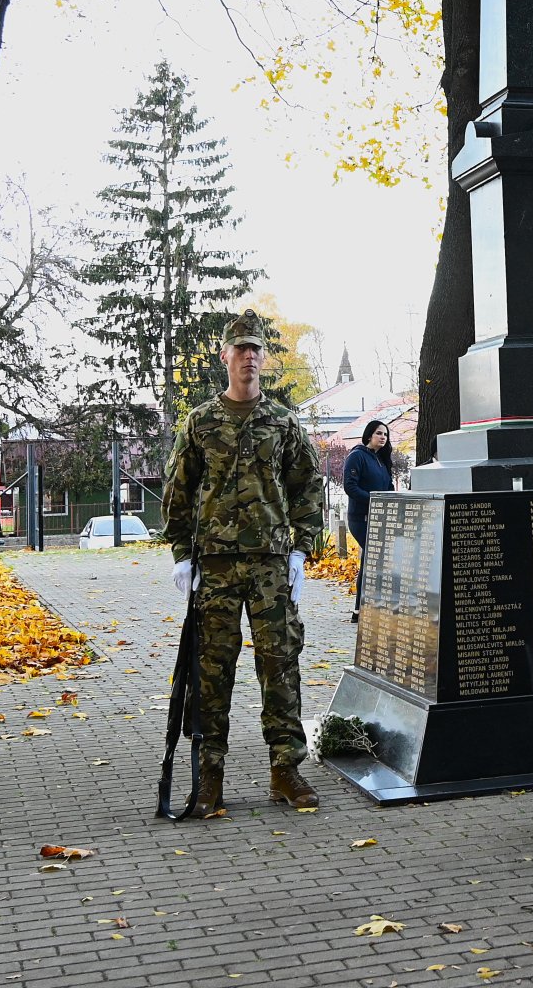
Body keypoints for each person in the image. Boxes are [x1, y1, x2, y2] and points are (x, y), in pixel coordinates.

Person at [163, 310, 326, 815]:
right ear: (224, 357)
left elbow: (307, 487)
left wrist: (302, 550)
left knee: (280, 666)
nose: (249, 356)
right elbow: (179, 492)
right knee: (211, 673)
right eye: (240, 349)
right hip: (214, 566)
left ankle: (285, 769)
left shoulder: (282, 421)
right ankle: (209, 776)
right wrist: (182, 555)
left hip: (271, 566)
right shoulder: (201, 423)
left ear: (263, 357)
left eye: (256, 349)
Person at [343, 418, 394, 621]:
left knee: (372, 560)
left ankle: (365, 608)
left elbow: (388, 487)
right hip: (360, 518)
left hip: (380, 517)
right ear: (369, 435)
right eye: (379, 433)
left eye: (385, 434)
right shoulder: (357, 456)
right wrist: (374, 500)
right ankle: (360, 609)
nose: (383, 437)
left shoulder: (381, 460)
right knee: (373, 557)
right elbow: (350, 487)